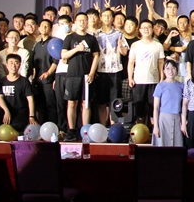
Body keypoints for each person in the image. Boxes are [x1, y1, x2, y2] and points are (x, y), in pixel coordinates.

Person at [61, 12, 100, 140]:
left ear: (87, 22)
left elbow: (96, 56)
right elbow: (63, 55)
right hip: (72, 75)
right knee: (72, 103)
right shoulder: (70, 38)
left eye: (84, 20)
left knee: (86, 104)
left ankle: (85, 131)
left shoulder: (91, 39)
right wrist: (77, 49)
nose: (82, 23)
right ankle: (71, 130)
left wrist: (92, 73)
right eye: (80, 20)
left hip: (87, 76)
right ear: (75, 23)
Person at [127, 20, 165, 127]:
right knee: (139, 109)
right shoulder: (135, 45)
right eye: (144, 27)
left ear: (152, 29)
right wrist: (130, 78)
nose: (146, 29)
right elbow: (131, 63)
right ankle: (139, 130)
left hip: (154, 80)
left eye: (148, 27)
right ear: (139, 30)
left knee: (153, 107)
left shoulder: (158, 45)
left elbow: (161, 63)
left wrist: (162, 78)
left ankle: (154, 130)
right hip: (138, 81)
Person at [95, 9, 129, 126]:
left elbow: (125, 52)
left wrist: (120, 47)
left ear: (112, 19)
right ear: (101, 18)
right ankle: (103, 126)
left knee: (114, 101)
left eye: (109, 16)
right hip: (100, 71)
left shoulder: (119, 34)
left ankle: (113, 126)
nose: (107, 18)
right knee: (101, 102)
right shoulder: (96, 34)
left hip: (115, 71)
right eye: (104, 16)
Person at [0, 54, 35, 132]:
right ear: (7, 65)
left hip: (20, 111)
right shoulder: (2, 81)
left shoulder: (24, 81)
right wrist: (6, 111)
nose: (13, 66)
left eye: (16, 63)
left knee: (16, 126)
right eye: (11, 63)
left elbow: (30, 99)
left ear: (20, 65)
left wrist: (31, 116)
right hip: (6, 110)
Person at [31, 19, 58, 124]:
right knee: (40, 105)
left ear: (50, 29)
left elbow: (56, 61)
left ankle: (53, 126)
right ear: (38, 28)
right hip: (38, 81)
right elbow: (34, 65)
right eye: (42, 26)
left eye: (47, 26)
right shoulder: (37, 45)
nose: (44, 28)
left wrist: (49, 73)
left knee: (51, 104)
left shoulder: (53, 43)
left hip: (49, 80)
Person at [153, 60, 184, 147]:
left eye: (173, 68)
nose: (171, 71)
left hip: (177, 118)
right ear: (164, 71)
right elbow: (156, 108)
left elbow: (184, 105)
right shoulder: (160, 86)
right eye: (168, 68)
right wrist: (156, 126)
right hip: (164, 119)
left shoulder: (181, 86)